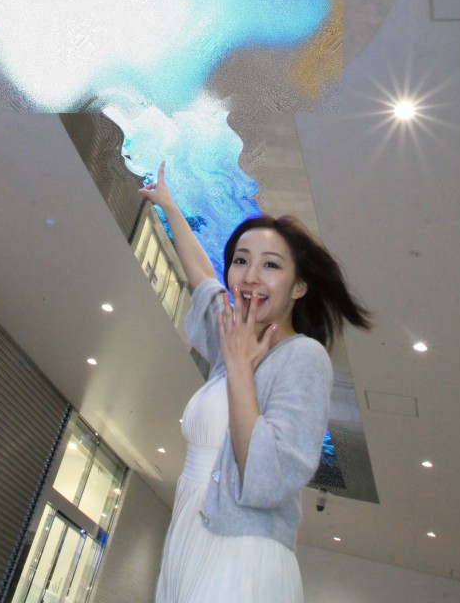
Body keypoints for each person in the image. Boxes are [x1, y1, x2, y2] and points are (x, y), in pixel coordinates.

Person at [138, 162, 372, 603]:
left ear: (298, 287)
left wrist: (241, 369)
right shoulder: (233, 335)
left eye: (271, 265)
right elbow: (203, 280)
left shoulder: (304, 358)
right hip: (187, 537)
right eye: (241, 261)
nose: (249, 276)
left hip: (243, 553)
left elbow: (268, 478)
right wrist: (169, 206)